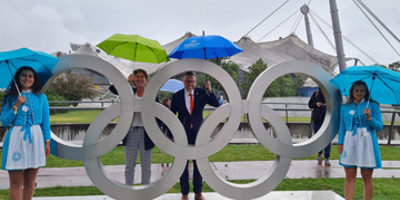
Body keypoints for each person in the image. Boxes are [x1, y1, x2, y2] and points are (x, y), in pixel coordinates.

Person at [1, 66, 51, 200]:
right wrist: (16, 105)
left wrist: (47, 141)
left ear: (34, 79)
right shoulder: (9, 98)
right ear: (18, 78)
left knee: (30, 182)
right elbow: (4, 122)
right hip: (16, 139)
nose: (27, 78)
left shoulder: (42, 98)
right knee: (16, 183)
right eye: (24, 75)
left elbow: (45, 122)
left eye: (30, 76)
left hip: (36, 139)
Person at [170, 72, 219, 200]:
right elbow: (170, 116)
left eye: (192, 81)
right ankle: (184, 193)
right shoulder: (177, 96)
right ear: (183, 82)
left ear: (196, 82)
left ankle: (198, 192)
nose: (190, 84)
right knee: (182, 164)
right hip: (182, 133)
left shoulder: (202, 93)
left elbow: (216, 103)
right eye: (187, 81)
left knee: (199, 164)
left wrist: (210, 89)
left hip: (199, 133)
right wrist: (172, 134)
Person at [337, 80, 383, 200]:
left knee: (366, 176)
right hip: (349, 141)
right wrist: (340, 142)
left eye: (362, 90)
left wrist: (370, 118)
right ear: (352, 91)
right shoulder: (344, 107)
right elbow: (342, 125)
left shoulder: (373, 105)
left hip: (367, 141)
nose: (359, 93)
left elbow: (379, 127)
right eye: (356, 90)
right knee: (349, 176)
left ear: (366, 92)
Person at [109, 69, 155, 185]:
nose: (139, 79)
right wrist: (127, 82)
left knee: (146, 166)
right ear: (134, 79)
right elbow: (113, 88)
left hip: (147, 132)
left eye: (142, 77)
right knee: (129, 165)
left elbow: (157, 114)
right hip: (131, 131)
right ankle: (128, 191)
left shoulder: (151, 94)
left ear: (146, 80)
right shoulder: (129, 91)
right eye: (137, 76)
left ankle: (145, 193)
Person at [308, 88, 331, 166]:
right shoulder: (316, 94)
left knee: (327, 139)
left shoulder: (330, 95)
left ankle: (327, 157)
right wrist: (316, 104)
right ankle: (320, 153)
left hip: (327, 120)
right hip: (317, 119)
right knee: (318, 137)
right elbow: (310, 105)